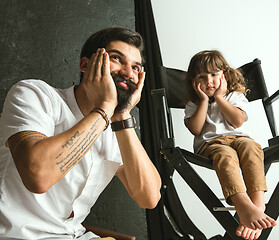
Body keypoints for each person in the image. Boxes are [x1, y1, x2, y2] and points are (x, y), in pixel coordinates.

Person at [0, 27, 162, 239]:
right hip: (16, 234)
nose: (128, 73)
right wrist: (104, 107)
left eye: (135, 67)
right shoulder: (35, 95)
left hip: (73, 235)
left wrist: (122, 115)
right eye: (116, 58)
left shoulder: (118, 130)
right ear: (86, 65)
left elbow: (148, 197)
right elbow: (37, 177)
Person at [184, 50, 277, 240]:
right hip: (211, 145)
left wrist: (219, 97)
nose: (209, 81)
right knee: (225, 155)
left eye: (214, 75)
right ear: (194, 81)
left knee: (252, 149)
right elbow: (195, 129)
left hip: (240, 139)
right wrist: (204, 101)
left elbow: (237, 121)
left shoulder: (234, 96)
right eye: (202, 76)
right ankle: (242, 205)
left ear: (224, 76)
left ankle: (258, 206)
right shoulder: (194, 103)